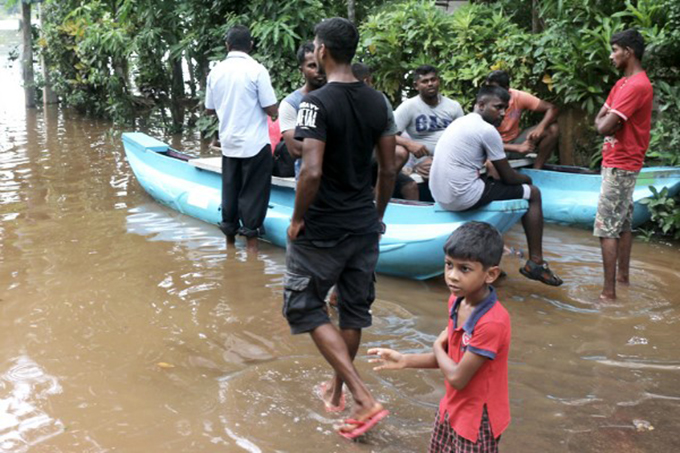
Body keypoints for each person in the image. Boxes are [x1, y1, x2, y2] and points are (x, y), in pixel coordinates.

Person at [284, 17, 397, 439]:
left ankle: (362, 396)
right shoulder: (379, 101)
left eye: (314, 48)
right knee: (352, 309)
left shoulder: (315, 103)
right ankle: (336, 393)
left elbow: (310, 172)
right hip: (364, 226)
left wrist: (297, 220)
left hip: (323, 228)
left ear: (322, 52)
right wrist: (377, 214)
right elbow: (388, 169)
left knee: (304, 306)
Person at [368, 221, 510, 452]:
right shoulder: (457, 301)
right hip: (452, 407)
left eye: (464, 269)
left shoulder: (492, 322)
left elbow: (457, 377)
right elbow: (451, 357)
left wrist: (436, 344)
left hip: (477, 419)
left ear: (491, 274)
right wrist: (405, 360)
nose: (452, 276)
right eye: (448, 265)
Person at [429, 85, 563, 286]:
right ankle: (536, 263)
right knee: (533, 193)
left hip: (439, 195)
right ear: (481, 105)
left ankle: (493, 260)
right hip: (461, 196)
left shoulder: (461, 122)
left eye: (505, 108)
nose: (502, 113)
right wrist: (526, 180)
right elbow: (508, 177)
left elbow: (491, 167)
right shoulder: (486, 130)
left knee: (495, 187)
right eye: (498, 107)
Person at [205, 25, 278, 253]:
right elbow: (270, 108)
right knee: (253, 195)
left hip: (229, 144)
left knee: (230, 191)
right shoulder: (257, 70)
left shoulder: (215, 71)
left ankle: (229, 246)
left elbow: (209, 109)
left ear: (227, 45)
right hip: (255, 144)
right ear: (251, 46)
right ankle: (252, 251)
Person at [594, 29, 653, 300]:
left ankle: (608, 294)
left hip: (621, 162)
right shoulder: (622, 84)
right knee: (624, 224)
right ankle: (622, 279)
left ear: (628, 52)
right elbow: (601, 119)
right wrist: (605, 121)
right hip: (618, 162)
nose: (611, 55)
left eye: (615, 50)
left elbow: (603, 125)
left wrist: (606, 122)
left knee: (607, 227)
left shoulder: (637, 85)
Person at [352, 62, 419, 200]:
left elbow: (388, 133)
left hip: (373, 159)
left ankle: (377, 198)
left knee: (409, 182)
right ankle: (372, 198)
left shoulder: (379, 99)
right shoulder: (342, 98)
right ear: (367, 80)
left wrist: (406, 143)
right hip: (351, 162)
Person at [394, 65, 465, 179]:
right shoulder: (408, 107)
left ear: (438, 81)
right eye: (425, 81)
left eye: (433, 79)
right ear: (416, 86)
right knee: (433, 169)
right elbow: (388, 136)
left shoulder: (453, 106)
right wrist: (409, 143)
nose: (430, 84)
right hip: (423, 160)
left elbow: (464, 136)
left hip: (452, 157)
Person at [485, 70, 559, 169]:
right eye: (488, 88)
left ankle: (537, 170)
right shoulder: (484, 103)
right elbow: (483, 142)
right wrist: (517, 148)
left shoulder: (518, 97)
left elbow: (552, 108)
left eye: (495, 89)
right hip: (495, 150)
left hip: (515, 142)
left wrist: (540, 128)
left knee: (553, 129)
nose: (491, 92)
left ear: (507, 89)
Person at [279, 42, 326, 177]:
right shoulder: (291, 104)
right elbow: (295, 149)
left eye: (321, 64)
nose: (319, 70)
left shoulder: (340, 97)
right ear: (302, 70)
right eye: (312, 66)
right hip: (308, 182)